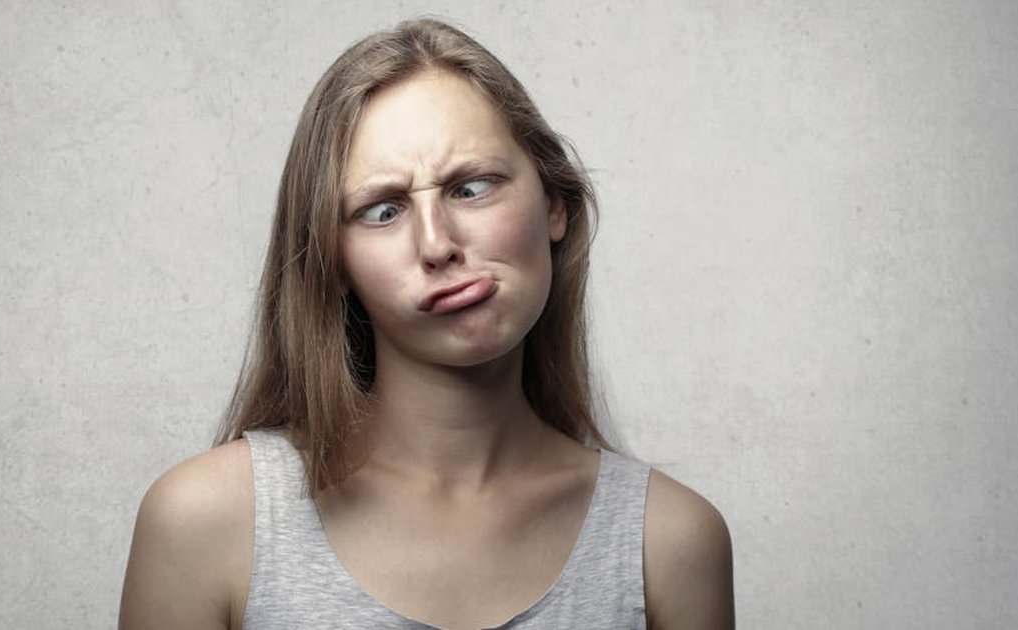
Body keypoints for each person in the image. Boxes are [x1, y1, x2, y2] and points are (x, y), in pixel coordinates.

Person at [120, 18, 733, 630]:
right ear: (332, 263)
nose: (437, 245)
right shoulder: (207, 524)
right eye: (382, 210)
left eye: (471, 188)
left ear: (555, 205)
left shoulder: (670, 545)